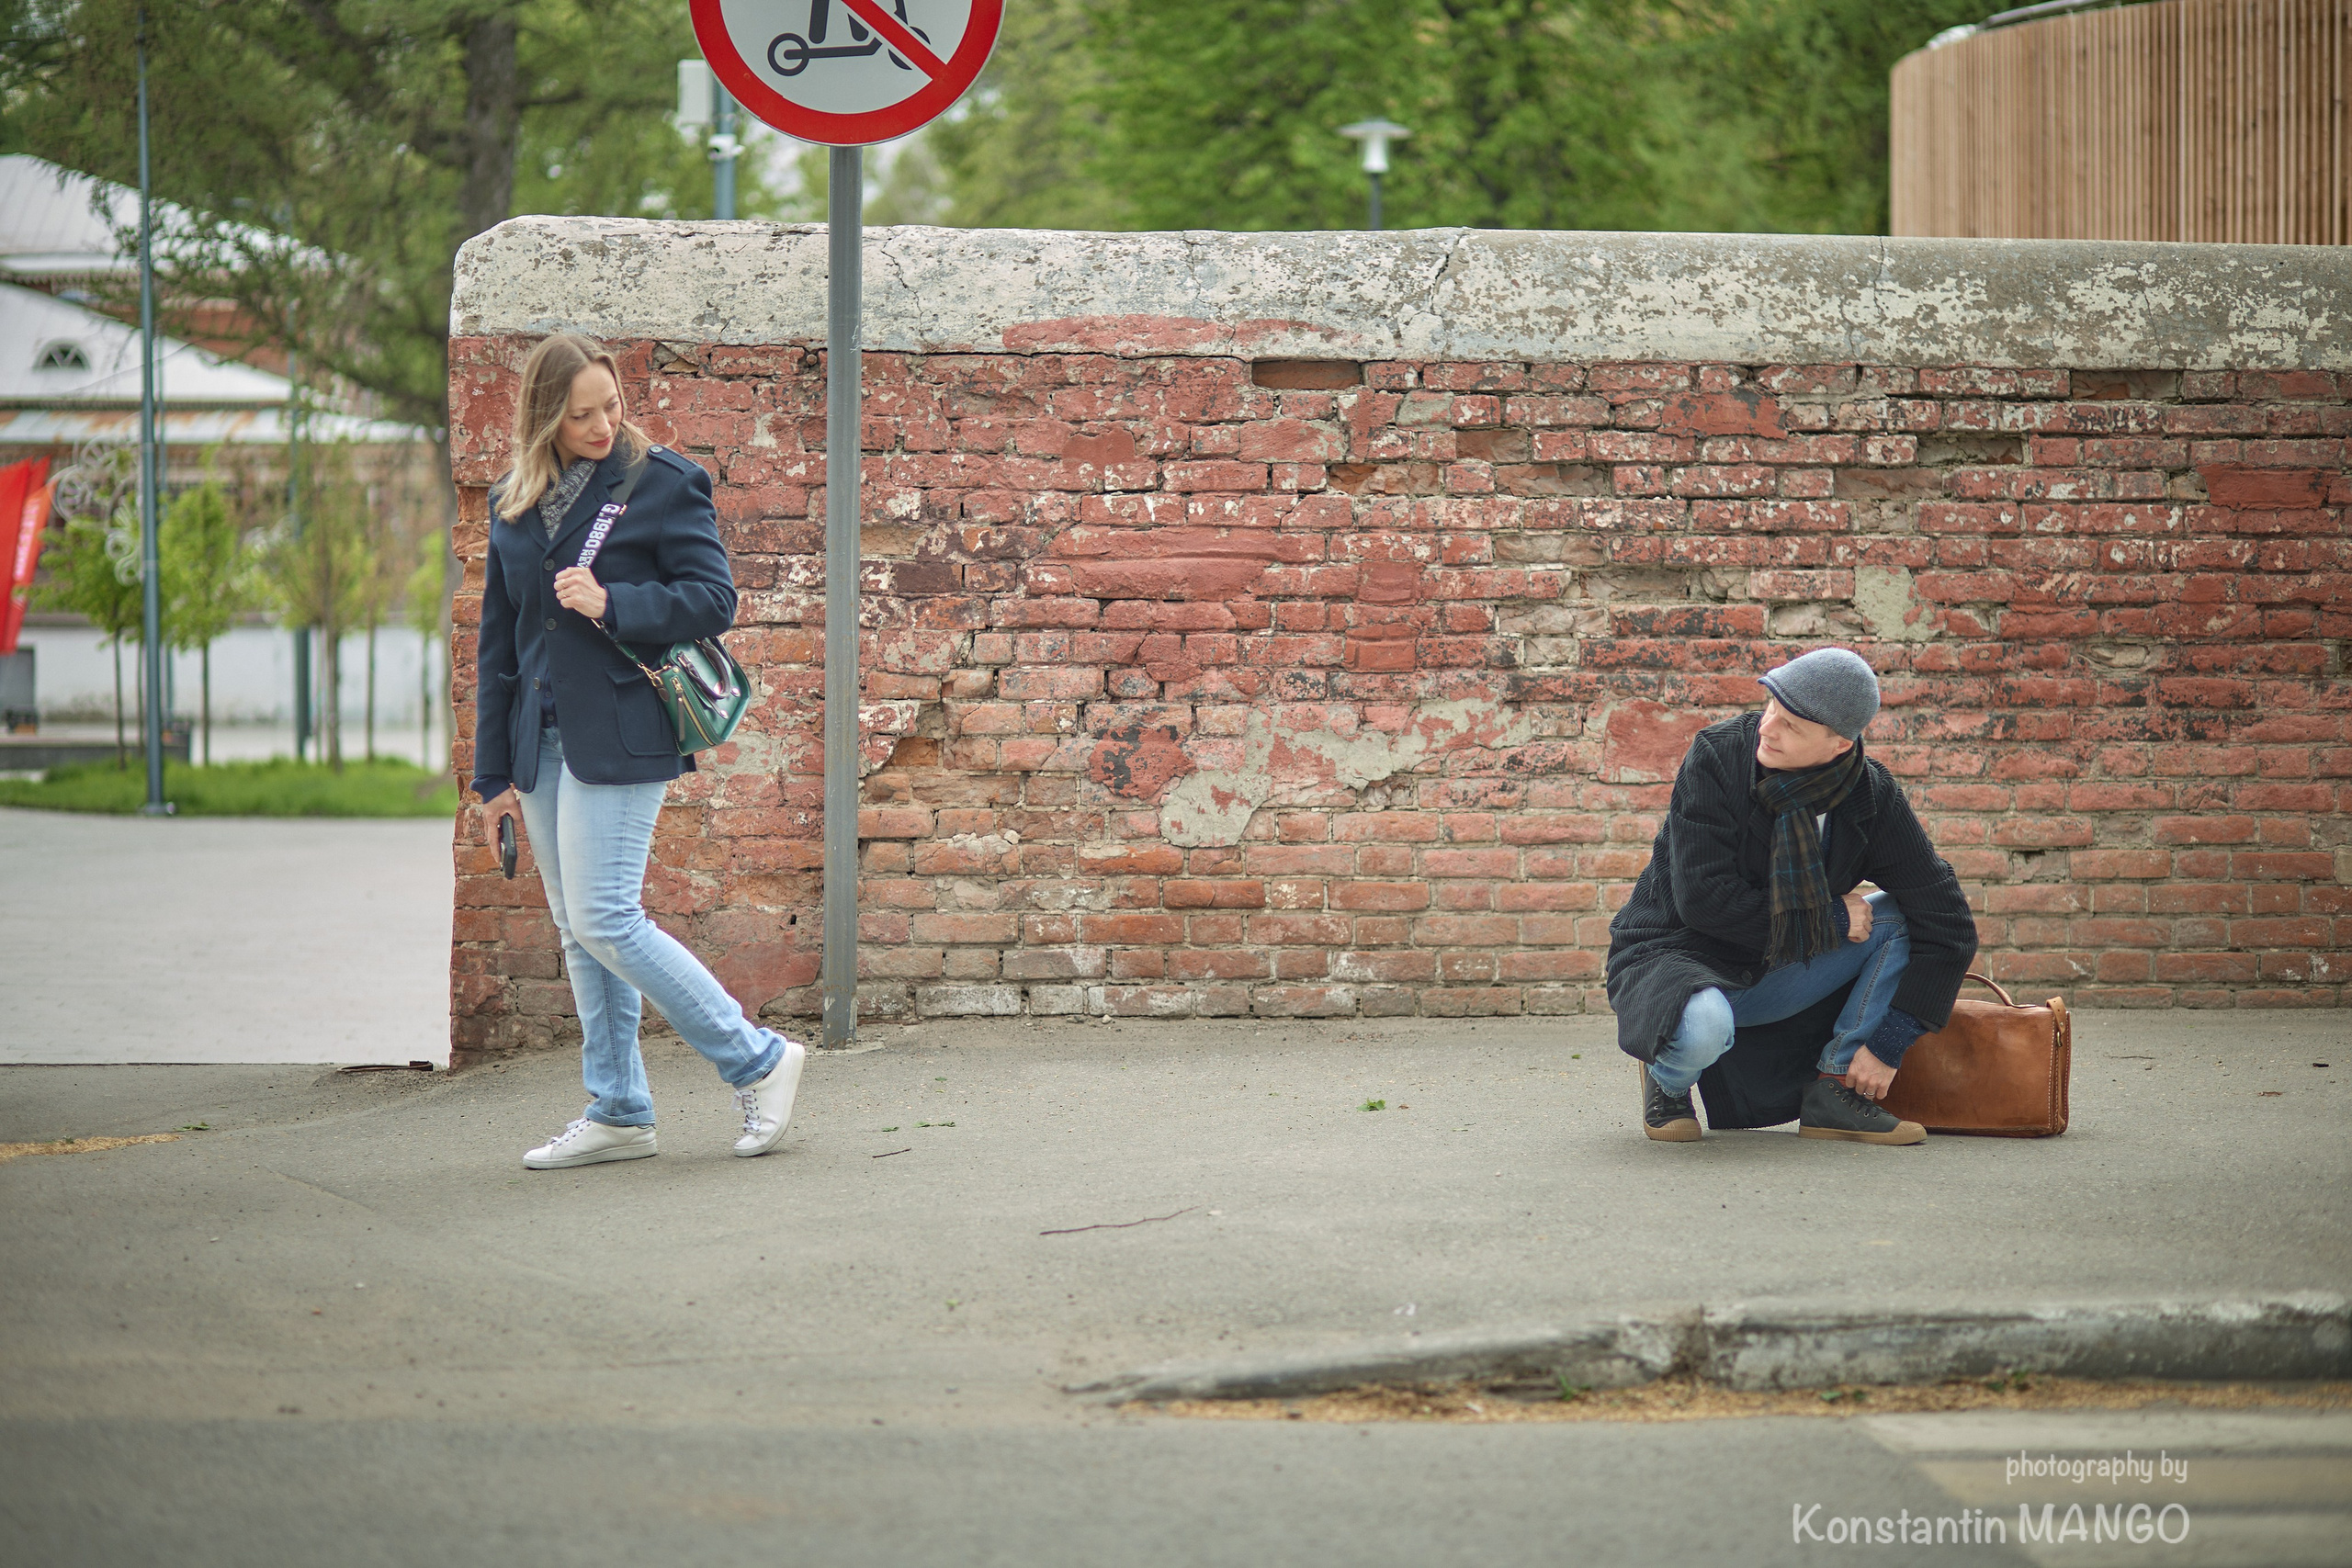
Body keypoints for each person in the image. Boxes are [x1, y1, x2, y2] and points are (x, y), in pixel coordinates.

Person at [472, 332, 803, 1170]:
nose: (601, 424)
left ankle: (758, 1059)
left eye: (610, 406)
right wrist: (491, 781)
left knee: (608, 917)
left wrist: (612, 601)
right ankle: (619, 1108)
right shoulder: (511, 499)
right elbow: (498, 646)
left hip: (624, 729)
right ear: (544, 415)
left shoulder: (661, 482)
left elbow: (711, 599)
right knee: (577, 928)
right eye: (580, 414)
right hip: (537, 742)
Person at [1605, 647, 1978, 1145]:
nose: (1767, 729)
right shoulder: (1718, 758)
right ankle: (1668, 1081)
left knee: (1896, 916)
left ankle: (1834, 1090)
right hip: (1675, 958)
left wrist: (1889, 1044)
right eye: (1770, 708)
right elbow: (1704, 900)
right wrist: (1828, 920)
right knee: (1704, 1024)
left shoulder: (1870, 799)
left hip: (1774, 969)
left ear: (1839, 745)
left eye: (1791, 726)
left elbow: (1948, 923)